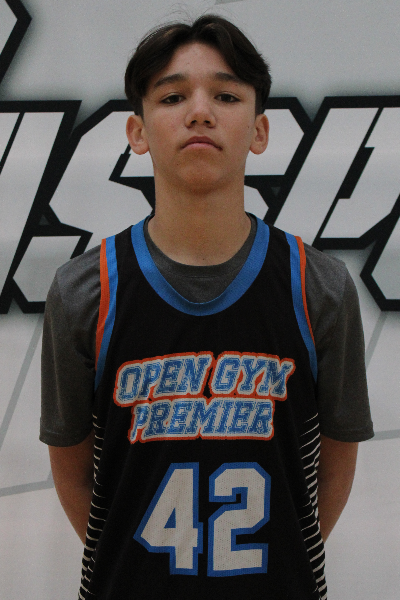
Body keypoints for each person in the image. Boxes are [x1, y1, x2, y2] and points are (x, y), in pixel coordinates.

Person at [40, 14, 373, 600]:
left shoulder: (318, 287)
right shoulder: (83, 292)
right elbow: (73, 471)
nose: (199, 112)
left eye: (226, 95)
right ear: (138, 132)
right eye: (172, 97)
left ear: (260, 130)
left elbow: (336, 460)